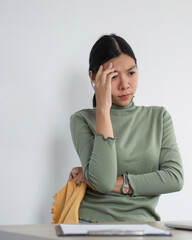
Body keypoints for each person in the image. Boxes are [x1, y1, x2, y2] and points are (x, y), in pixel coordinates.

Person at [68, 34, 184, 223]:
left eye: (131, 73)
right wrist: (103, 111)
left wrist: (117, 183)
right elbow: (103, 181)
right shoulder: (82, 120)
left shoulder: (159, 117)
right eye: (113, 77)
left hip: (145, 226)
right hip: (91, 223)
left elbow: (175, 178)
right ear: (93, 77)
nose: (125, 85)